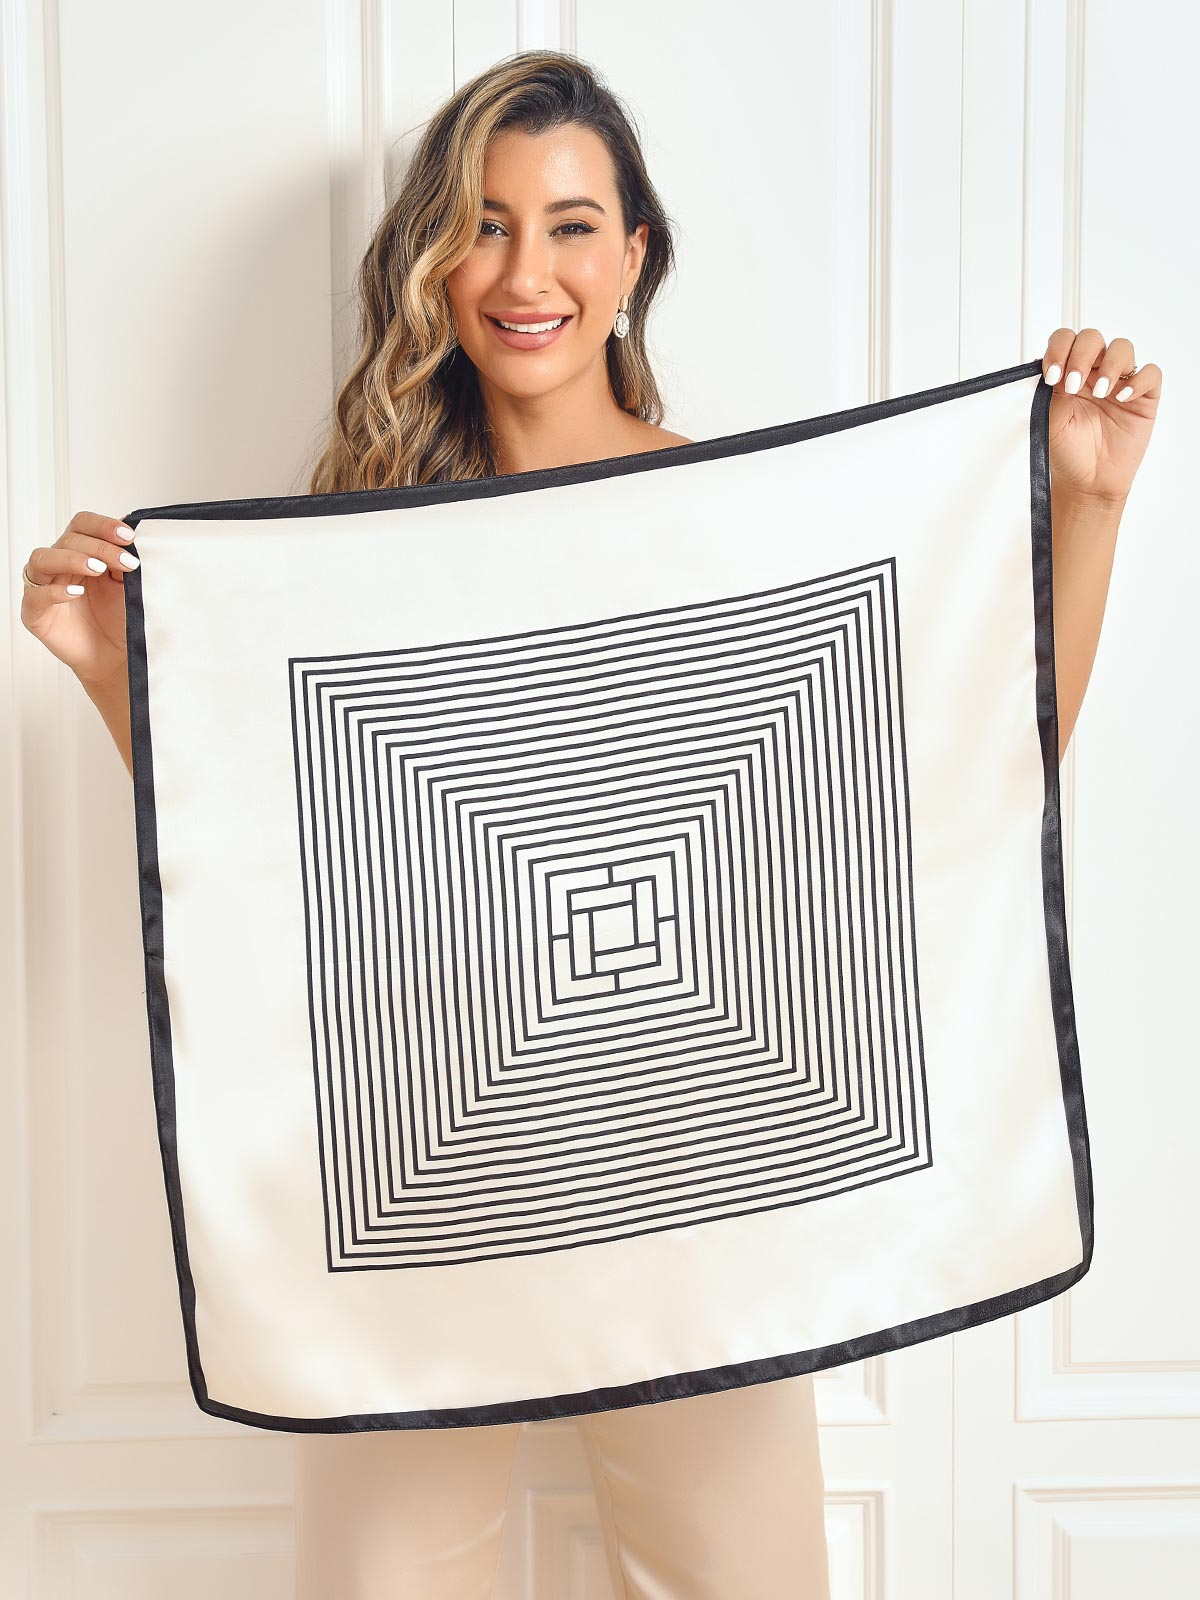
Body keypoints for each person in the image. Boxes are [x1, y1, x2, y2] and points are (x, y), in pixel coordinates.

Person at [17, 45, 1160, 1600]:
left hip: (700, 1174)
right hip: (417, 1182)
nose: (524, 274)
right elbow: (266, 865)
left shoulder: (741, 527)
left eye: (568, 226)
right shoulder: (349, 554)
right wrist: (110, 671)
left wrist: (1084, 504)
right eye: (483, 226)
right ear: (434, 261)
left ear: (634, 257)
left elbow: (964, 774)